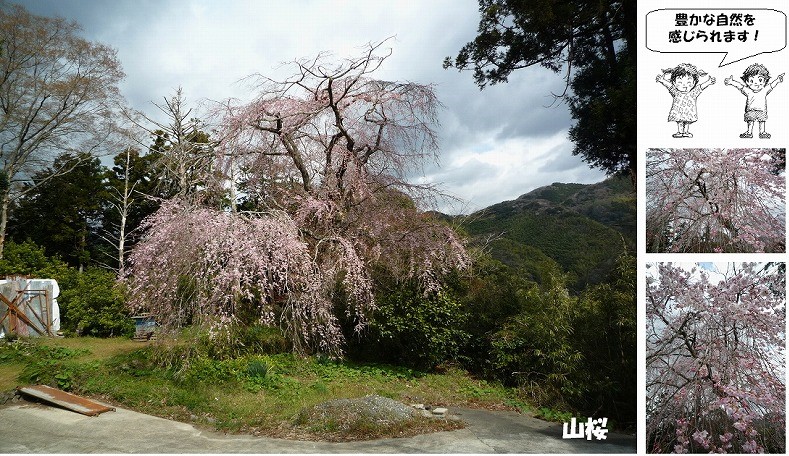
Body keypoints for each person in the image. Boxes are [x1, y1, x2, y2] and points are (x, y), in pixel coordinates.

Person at [725, 63, 784, 138]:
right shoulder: (748, 90)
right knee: (750, 121)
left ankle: (762, 132)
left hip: (762, 110)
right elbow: (740, 86)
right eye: (752, 81)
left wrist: (778, 80)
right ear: (747, 82)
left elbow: (772, 85)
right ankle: (749, 132)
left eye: (760, 80)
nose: (756, 83)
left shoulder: (764, 90)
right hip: (750, 110)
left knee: (762, 121)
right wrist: (731, 82)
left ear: (765, 81)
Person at [656, 63, 716, 138]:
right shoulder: (676, 92)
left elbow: (701, 87)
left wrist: (709, 82)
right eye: (680, 83)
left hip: (689, 111)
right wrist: (662, 80)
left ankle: (686, 132)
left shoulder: (693, 92)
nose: (684, 86)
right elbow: (669, 86)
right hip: (679, 111)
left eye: (689, 83)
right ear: (674, 82)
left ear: (694, 83)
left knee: (687, 122)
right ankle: (680, 132)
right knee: (680, 122)